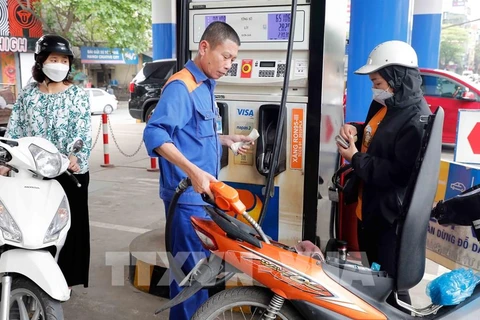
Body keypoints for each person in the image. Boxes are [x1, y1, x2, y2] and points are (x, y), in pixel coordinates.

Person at [143, 22, 252, 320]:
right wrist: (192, 170)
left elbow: (188, 134)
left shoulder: (204, 85)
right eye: (226, 56)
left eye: (233, 59)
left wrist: (225, 140)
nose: (229, 65)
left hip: (203, 199)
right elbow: (155, 135)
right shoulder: (182, 86)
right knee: (190, 279)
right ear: (204, 48)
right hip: (187, 201)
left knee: (198, 275)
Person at [337, 40, 431, 306]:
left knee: (391, 286)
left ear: (396, 78)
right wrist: (354, 129)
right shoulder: (386, 105)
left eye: (377, 83)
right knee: (371, 279)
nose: (374, 89)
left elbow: (399, 175)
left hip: (389, 220)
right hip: (368, 212)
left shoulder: (415, 119)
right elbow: (375, 135)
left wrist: (354, 157)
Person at [1, 34, 92, 288]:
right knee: (26, 223)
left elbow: (83, 131)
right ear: (41, 62)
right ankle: (24, 275)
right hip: (30, 172)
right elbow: (15, 129)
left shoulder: (77, 95)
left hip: (67, 171)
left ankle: (64, 280)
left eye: (64, 59)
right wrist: (5, 161)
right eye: (54, 58)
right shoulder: (28, 95)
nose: (60, 64)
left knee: (68, 228)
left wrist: (76, 157)